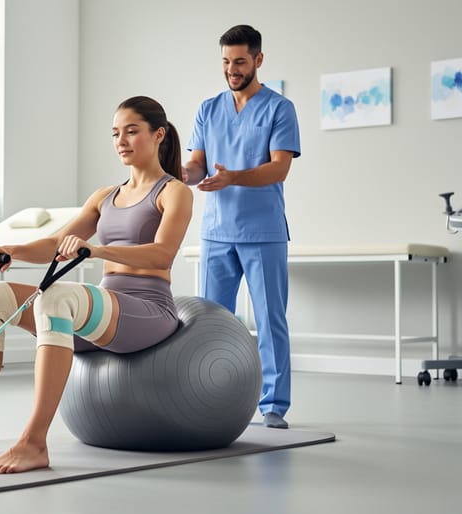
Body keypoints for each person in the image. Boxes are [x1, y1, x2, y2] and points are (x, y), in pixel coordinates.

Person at [0, 96, 193, 474]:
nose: (121, 141)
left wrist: (95, 250)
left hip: (147, 311)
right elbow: (56, 243)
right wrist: (8, 251)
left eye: (132, 131)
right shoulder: (104, 196)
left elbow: (163, 254)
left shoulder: (174, 191)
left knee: (57, 297)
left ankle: (33, 443)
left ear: (158, 134)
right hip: (103, 313)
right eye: (115, 134)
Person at [183, 25, 301, 429]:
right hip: (216, 231)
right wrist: (173, 173)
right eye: (226, 62)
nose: (232, 70)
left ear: (258, 60)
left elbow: (278, 167)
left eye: (240, 62)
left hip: (263, 231)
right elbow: (197, 165)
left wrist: (234, 177)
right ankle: (212, 398)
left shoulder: (278, 108)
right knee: (210, 323)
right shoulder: (208, 109)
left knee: (270, 321)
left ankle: (273, 405)